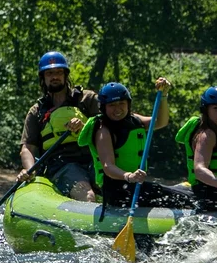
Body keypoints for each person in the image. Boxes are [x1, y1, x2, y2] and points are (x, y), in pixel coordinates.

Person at [77, 78, 193, 210]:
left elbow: (160, 122)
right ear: (103, 107)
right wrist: (128, 176)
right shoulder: (103, 131)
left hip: (134, 185)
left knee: (185, 194)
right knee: (180, 198)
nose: (117, 109)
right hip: (117, 190)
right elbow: (108, 166)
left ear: (128, 104)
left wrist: (163, 96)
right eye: (112, 105)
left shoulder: (134, 120)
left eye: (121, 103)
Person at [19, 51, 101, 201]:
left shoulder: (87, 99)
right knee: (88, 196)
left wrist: (85, 126)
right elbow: (27, 148)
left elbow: (109, 125)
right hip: (61, 165)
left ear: (65, 75)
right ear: (43, 77)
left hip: (94, 161)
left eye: (58, 72)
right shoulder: (36, 111)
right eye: (50, 73)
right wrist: (30, 170)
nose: (54, 77)